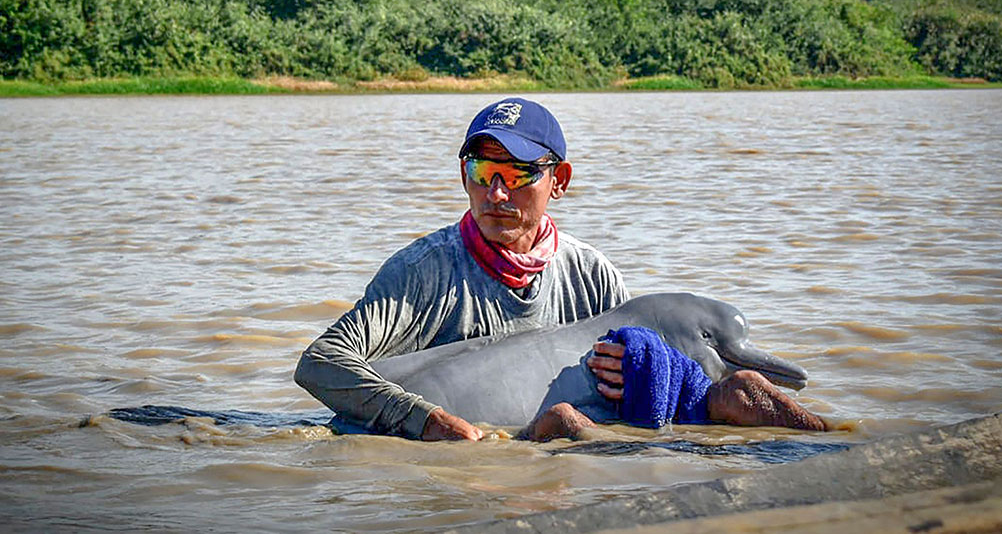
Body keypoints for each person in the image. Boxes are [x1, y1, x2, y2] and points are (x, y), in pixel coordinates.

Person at [295, 98, 826, 441]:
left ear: (560, 179)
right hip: (428, 444)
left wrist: (643, 374)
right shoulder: (421, 273)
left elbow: (639, 382)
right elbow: (320, 365)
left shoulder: (592, 274)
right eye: (482, 170)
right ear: (464, 175)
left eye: (519, 173)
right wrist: (427, 420)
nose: (496, 192)